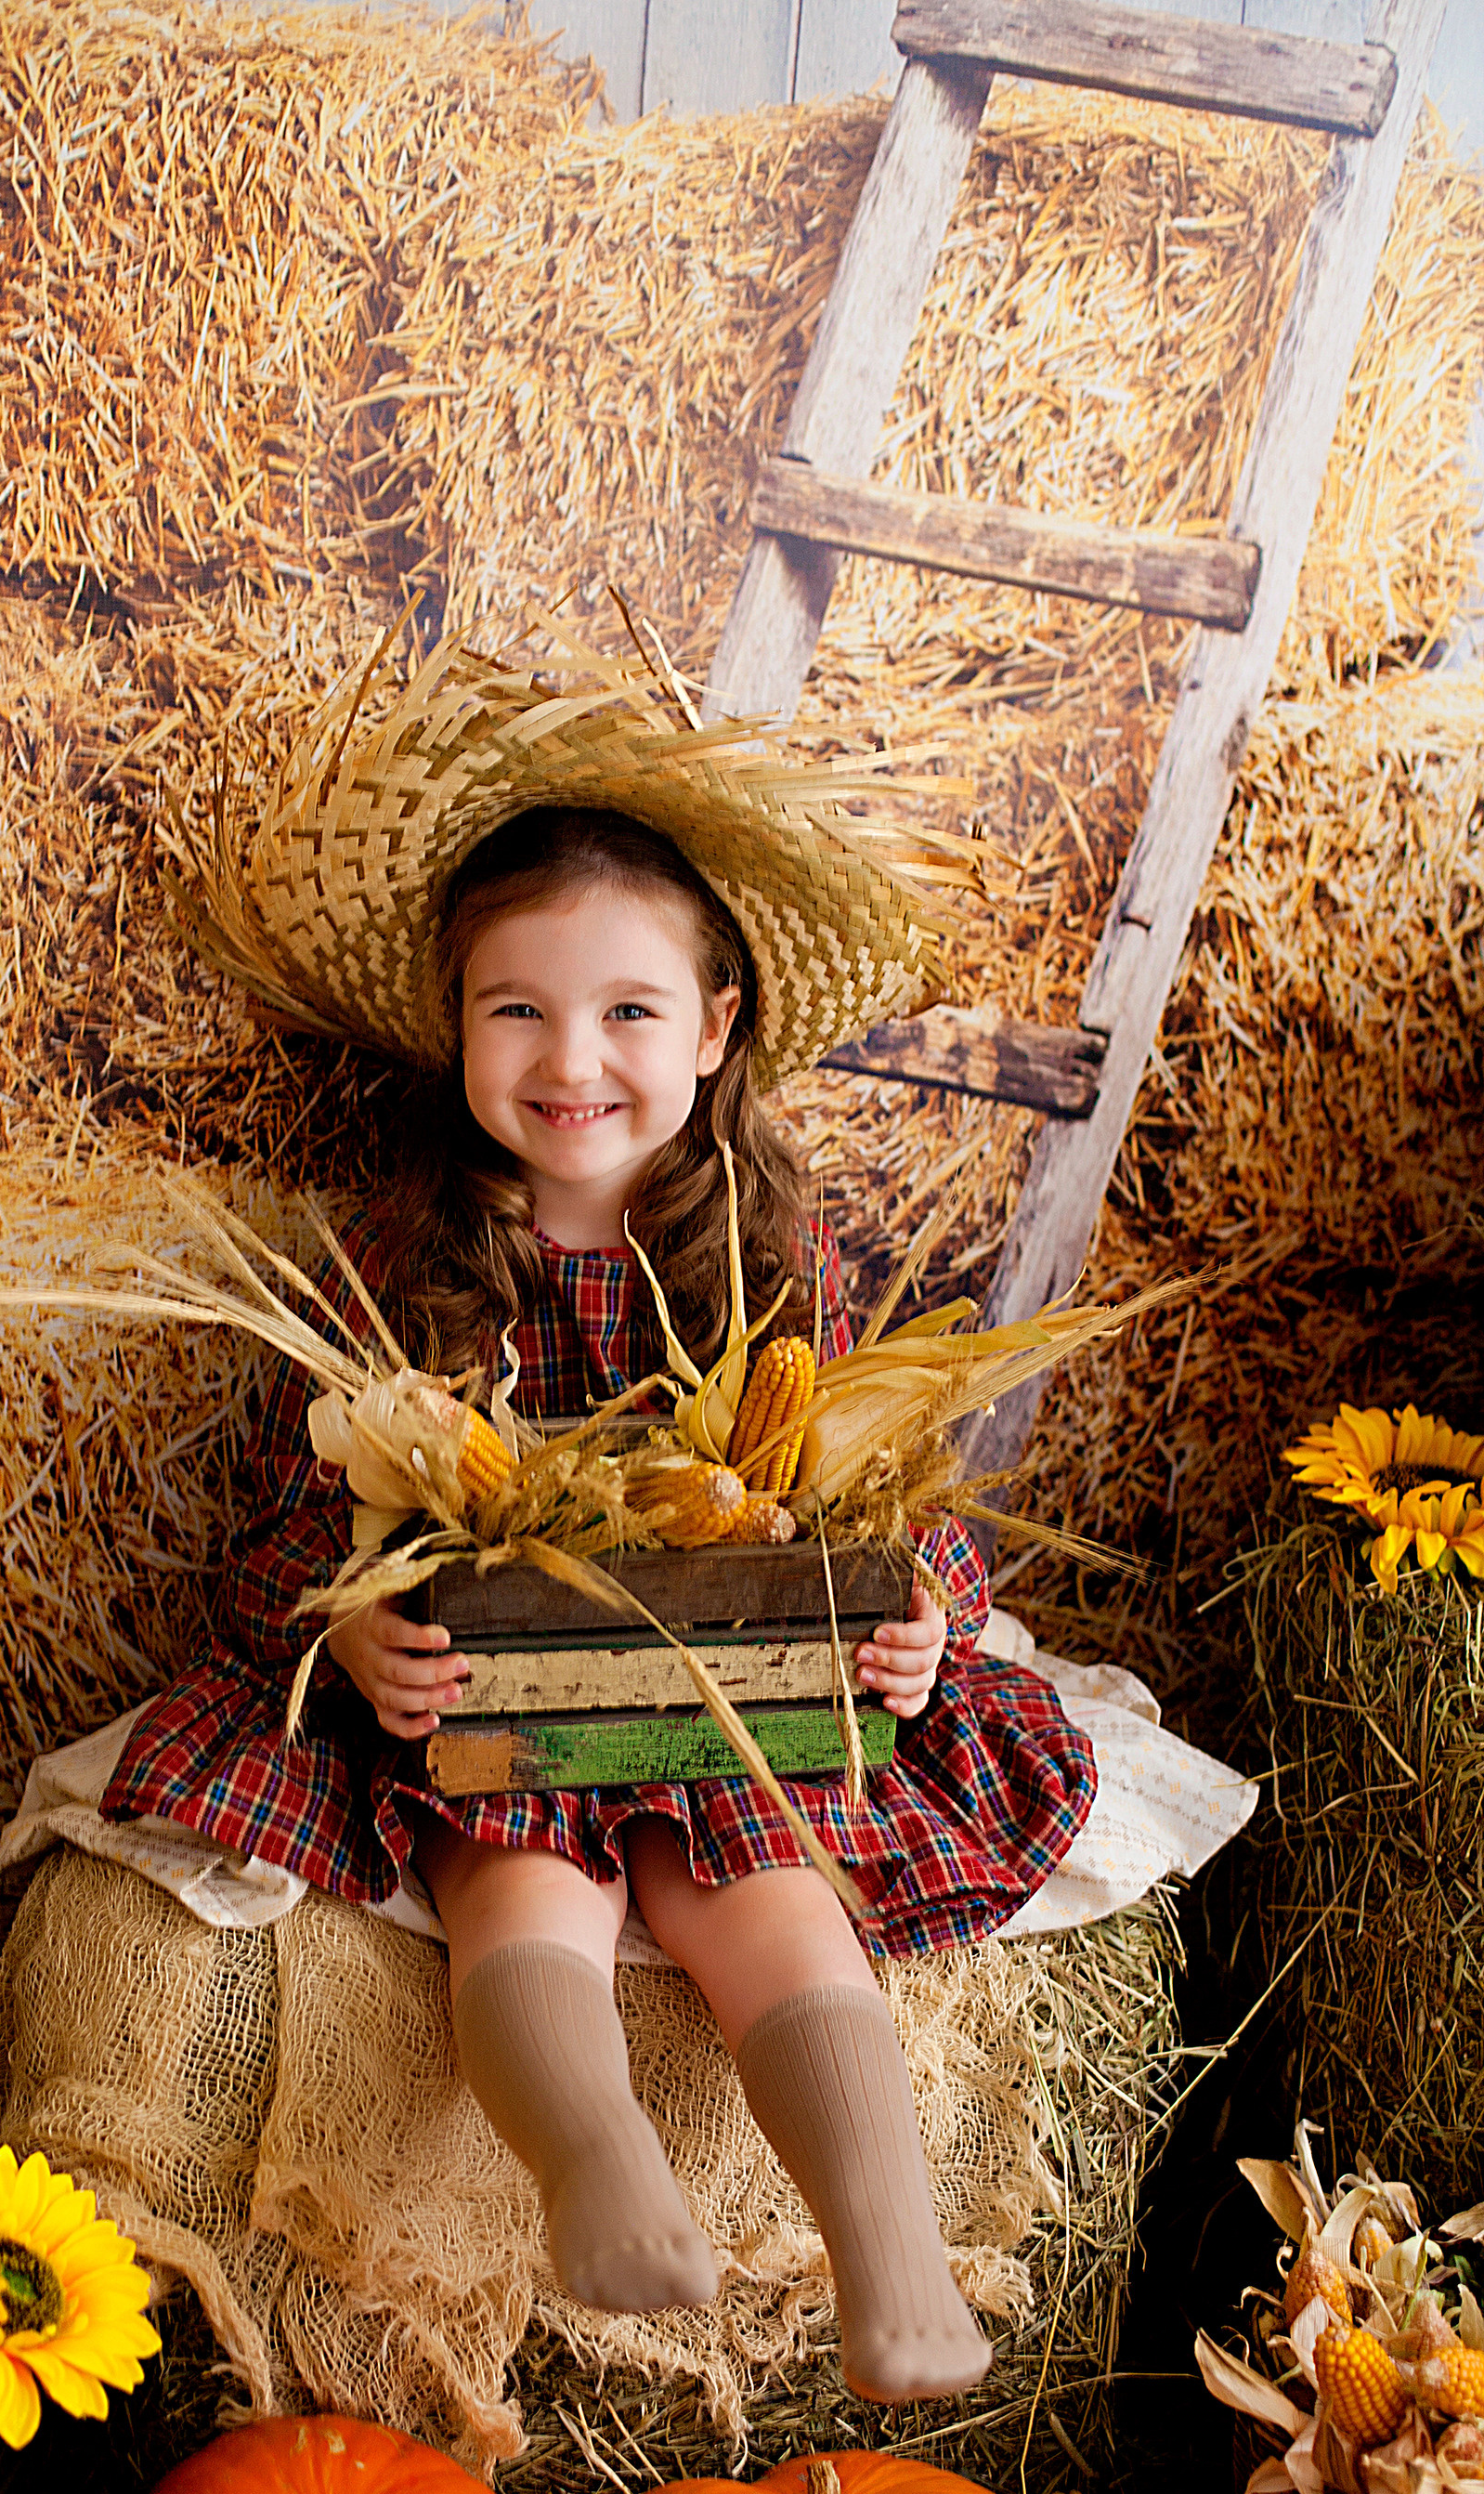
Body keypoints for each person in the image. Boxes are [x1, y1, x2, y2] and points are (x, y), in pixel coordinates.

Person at [101, 626, 1099, 2403]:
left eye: (631, 1011)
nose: (575, 1057)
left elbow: (885, 1482)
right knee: (518, 1893)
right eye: (520, 1010)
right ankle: (597, 2165)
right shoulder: (394, 1268)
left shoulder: (776, 1269)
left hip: (728, 1694)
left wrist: (918, 1617)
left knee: (768, 1892)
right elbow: (289, 1517)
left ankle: (891, 2260)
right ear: (456, 1026)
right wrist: (356, 1630)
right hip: (507, 1701)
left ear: (716, 1030)